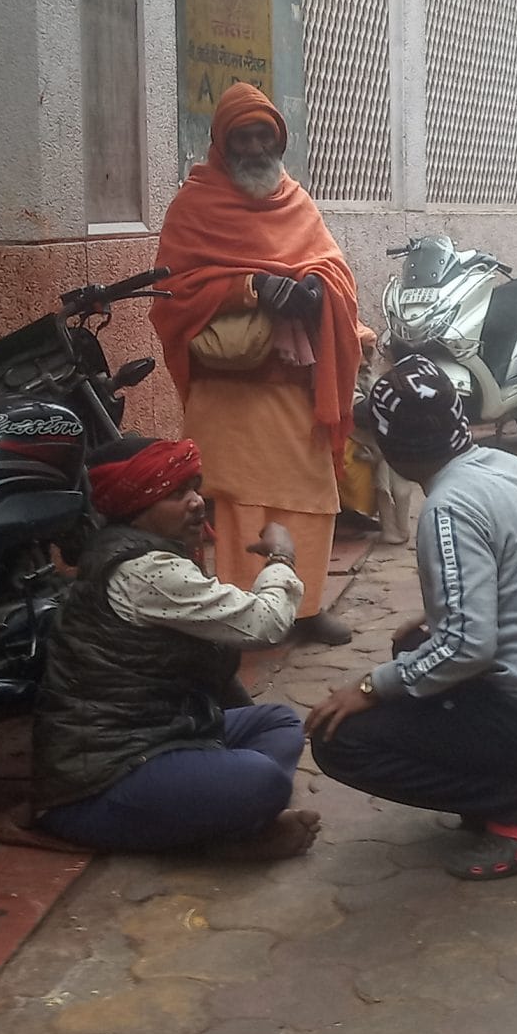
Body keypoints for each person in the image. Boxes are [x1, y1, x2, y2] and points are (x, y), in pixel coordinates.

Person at [305, 357, 517, 880]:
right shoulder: (511, 467)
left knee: (340, 741)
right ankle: (516, 776)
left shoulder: (449, 506)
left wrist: (369, 688)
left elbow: (467, 647)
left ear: (392, 447)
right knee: (414, 647)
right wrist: (433, 618)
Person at [9, 435, 320, 857]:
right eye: (176, 494)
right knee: (263, 780)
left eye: (194, 487)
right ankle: (227, 829)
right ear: (136, 508)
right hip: (102, 778)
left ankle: (232, 821)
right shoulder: (143, 570)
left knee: (278, 723)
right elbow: (264, 624)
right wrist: (282, 557)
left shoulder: (148, 551)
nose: (196, 502)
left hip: (167, 733)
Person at [151, 82, 362, 645]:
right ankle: (241, 609)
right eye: (241, 138)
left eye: (263, 136)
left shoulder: (297, 201)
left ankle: (305, 609)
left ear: (279, 141)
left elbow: (334, 268)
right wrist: (250, 287)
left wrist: (316, 291)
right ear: (221, 143)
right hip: (228, 392)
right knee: (235, 500)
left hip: (294, 390)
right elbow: (173, 291)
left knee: (309, 498)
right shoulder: (194, 206)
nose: (253, 148)